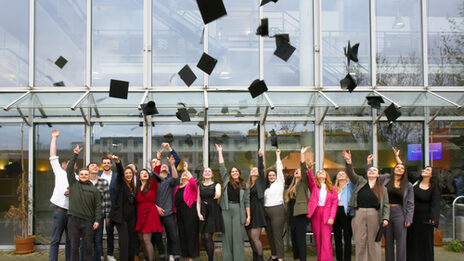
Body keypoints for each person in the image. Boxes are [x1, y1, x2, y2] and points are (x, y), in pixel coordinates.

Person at [366, 147, 414, 261]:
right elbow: (372, 175)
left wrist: (409, 218)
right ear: (394, 169)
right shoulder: (386, 178)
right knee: (388, 241)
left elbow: (410, 203)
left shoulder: (408, 185)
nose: (399, 169)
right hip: (386, 212)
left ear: (404, 172)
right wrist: (368, 164)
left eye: (402, 168)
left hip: (399, 213)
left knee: (401, 241)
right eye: (397, 167)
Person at [342, 150, 389, 261]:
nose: (372, 171)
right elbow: (351, 174)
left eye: (374, 170)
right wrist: (348, 162)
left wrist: (386, 217)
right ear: (367, 172)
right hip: (359, 213)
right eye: (370, 170)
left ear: (378, 175)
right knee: (360, 241)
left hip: (375, 214)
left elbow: (386, 204)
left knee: (374, 241)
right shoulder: (360, 181)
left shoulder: (383, 188)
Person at [66, 145, 101, 261]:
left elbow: (97, 207)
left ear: (89, 176)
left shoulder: (94, 190)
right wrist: (75, 154)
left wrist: (97, 220)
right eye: (81, 174)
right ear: (79, 176)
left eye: (86, 174)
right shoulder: (73, 184)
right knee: (74, 247)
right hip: (73, 220)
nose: (84, 176)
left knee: (87, 248)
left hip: (88, 222)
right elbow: (69, 169)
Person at [216, 144, 250, 261]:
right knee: (227, 237)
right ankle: (227, 258)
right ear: (230, 173)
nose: (234, 173)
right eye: (232, 171)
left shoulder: (245, 185)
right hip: (226, 210)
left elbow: (247, 202)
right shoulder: (226, 180)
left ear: (239, 173)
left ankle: (239, 258)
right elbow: (222, 167)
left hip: (238, 211)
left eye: (236, 171)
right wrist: (220, 152)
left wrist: (248, 216)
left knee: (238, 237)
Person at [151, 143, 182, 261]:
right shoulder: (153, 181)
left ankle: (175, 255)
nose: (164, 167)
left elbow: (175, 177)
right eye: (161, 166)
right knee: (158, 236)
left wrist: (172, 165)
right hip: (156, 212)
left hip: (168, 212)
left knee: (173, 235)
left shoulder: (169, 180)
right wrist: (158, 158)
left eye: (165, 166)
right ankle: (162, 255)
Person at [307, 154, 338, 261]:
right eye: (319, 172)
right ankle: (320, 258)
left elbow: (334, 204)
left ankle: (327, 259)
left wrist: (332, 217)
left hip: (327, 213)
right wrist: (310, 168)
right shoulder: (314, 186)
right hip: (316, 213)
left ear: (326, 175)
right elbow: (310, 179)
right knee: (318, 239)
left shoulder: (332, 188)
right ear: (317, 176)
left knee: (326, 239)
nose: (320, 173)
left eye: (323, 172)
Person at [407, 166, 441, 261]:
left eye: (427, 170)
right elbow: (406, 173)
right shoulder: (416, 182)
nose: (424, 170)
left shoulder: (434, 188)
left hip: (426, 219)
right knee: (413, 240)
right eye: (424, 169)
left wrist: (433, 218)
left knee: (425, 242)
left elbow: (435, 204)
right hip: (413, 217)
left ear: (432, 174)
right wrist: (398, 159)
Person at [107, 155, 137, 261]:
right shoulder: (121, 183)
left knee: (132, 240)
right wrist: (118, 162)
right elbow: (119, 173)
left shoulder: (133, 186)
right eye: (126, 173)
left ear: (133, 175)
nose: (128, 175)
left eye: (130, 173)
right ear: (124, 175)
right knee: (124, 241)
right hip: (121, 217)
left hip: (132, 218)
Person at [285, 146, 312, 261]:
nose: (298, 171)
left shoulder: (304, 183)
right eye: (296, 170)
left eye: (299, 171)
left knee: (301, 239)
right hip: (292, 215)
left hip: (301, 214)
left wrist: (302, 155)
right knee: (295, 238)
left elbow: (303, 168)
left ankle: (303, 259)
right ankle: (298, 257)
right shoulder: (292, 186)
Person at [48, 129, 71, 261]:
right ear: (63, 165)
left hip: (73, 213)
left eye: (71, 164)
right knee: (55, 239)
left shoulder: (79, 178)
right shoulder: (59, 172)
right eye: (67, 163)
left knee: (70, 241)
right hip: (60, 212)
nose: (69, 165)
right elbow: (52, 155)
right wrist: (54, 138)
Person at [197, 162, 224, 261]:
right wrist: (199, 213)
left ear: (212, 174)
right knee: (204, 237)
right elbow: (198, 201)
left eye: (209, 171)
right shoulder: (200, 186)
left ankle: (211, 259)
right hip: (203, 211)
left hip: (213, 211)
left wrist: (218, 194)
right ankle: (211, 257)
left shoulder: (216, 184)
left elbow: (218, 193)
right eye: (205, 171)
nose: (207, 172)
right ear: (203, 174)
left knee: (207, 236)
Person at [135, 168, 164, 261]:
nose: (144, 174)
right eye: (142, 173)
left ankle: (151, 259)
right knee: (141, 239)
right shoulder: (137, 188)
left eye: (146, 173)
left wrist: (158, 160)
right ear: (139, 177)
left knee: (146, 239)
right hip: (140, 214)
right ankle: (147, 258)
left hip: (150, 214)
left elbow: (156, 173)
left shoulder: (152, 184)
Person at [85, 161, 110, 261]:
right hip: (86, 216)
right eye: (92, 166)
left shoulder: (103, 182)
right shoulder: (84, 182)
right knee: (86, 240)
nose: (95, 167)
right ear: (88, 169)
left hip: (99, 216)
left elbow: (107, 200)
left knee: (97, 240)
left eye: (96, 166)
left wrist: (108, 216)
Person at [174, 162, 200, 260]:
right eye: (183, 174)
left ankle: (191, 257)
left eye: (186, 175)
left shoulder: (191, 186)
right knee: (183, 235)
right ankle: (186, 256)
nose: (184, 175)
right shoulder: (177, 187)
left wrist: (186, 170)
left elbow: (193, 181)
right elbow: (175, 201)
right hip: (180, 213)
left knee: (190, 235)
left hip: (190, 212)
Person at [264, 149, 286, 261]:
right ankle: (274, 256)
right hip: (266, 211)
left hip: (277, 210)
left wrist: (277, 155)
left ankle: (281, 258)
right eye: (269, 175)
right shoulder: (267, 187)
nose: (271, 176)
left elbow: (279, 168)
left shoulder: (279, 183)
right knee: (270, 236)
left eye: (273, 175)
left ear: (277, 176)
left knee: (277, 236)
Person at [246, 149, 266, 261]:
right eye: (252, 170)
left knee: (255, 238)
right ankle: (255, 257)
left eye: (255, 169)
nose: (254, 171)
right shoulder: (248, 184)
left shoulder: (261, 181)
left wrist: (260, 157)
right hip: (249, 212)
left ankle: (260, 258)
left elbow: (262, 169)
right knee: (250, 238)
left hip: (258, 211)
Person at [98, 156, 117, 261]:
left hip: (112, 208)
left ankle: (110, 254)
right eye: (104, 163)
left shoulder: (116, 176)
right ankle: (100, 254)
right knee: (99, 233)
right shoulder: (97, 175)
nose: (106, 164)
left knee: (110, 233)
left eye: (108, 163)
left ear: (111, 164)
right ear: (102, 164)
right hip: (100, 208)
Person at [333, 169, 354, 261]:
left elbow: (354, 176)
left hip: (347, 213)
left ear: (347, 176)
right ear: (337, 177)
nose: (341, 175)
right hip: (336, 212)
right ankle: (339, 258)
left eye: (343, 173)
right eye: (339, 174)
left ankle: (347, 258)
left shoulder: (350, 187)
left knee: (347, 237)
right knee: (337, 238)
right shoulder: (333, 188)